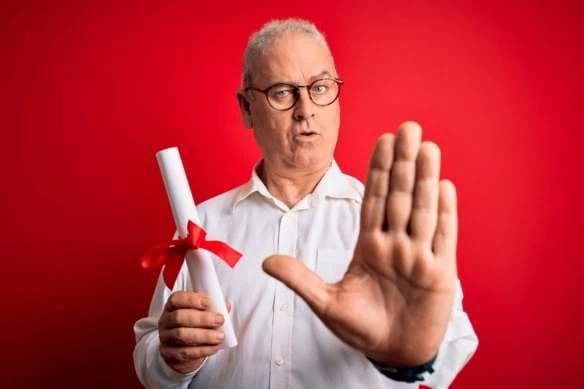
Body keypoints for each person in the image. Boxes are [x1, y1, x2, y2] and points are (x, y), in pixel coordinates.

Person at [134, 18, 478, 389]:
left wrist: (412, 357)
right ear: (247, 107)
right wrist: (171, 359)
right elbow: (150, 352)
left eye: (320, 87)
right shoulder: (201, 224)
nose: (306, 109)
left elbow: (452, 350)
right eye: (283, 92)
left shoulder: (392, 228)